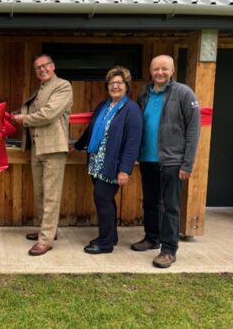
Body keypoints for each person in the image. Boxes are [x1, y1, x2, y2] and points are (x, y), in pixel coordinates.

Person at [131, 55, 201, 268]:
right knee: (151, 202)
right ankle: (152, 238)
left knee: (170, 206)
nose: (159, 73)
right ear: (150, 71)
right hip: (147, 158)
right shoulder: (144, 93)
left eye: (164, 69)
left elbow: (193, 130)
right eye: (155, 69)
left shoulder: (183, 93)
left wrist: (187, 163)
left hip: (172, 160)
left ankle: (169, 250)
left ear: (172, 70)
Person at [72, 67, 142, 254]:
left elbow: (132, 142)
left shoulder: (132, 109)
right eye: (112, 83)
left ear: (127, 86)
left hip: (113, 164)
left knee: (102, 198)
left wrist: (124, 169)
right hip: (96, 162)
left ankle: (105, 243)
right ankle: (111, 236)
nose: (115, 86)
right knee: (106, 200)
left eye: (119, 83)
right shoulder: (103, 106)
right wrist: (77, 145)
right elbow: (91, 130)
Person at [11, 54, 73, 256]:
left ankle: (45, 240)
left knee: (51, 196)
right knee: (40, 192)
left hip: (53, 148)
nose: (42, 69)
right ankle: (46, 231)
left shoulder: (63, 86)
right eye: (38, 67)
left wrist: (24, 119)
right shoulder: (41, 89)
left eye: (45, 65)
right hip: (37, 147)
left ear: (53, 66)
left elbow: (49, 113)